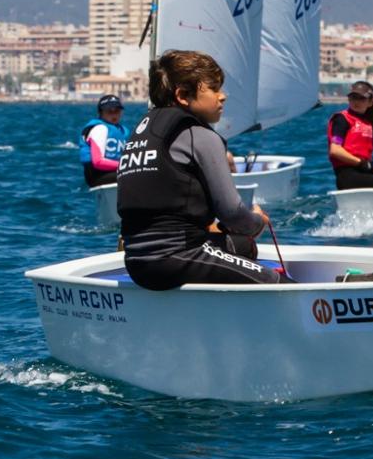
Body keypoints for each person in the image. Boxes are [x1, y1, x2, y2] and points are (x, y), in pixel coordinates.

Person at [118, 50, 283, 290]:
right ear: (183, 95)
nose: (223, 96)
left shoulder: (143, 133)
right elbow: (233, 214)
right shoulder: (200, 136)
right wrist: (258, 222)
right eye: (214, 88)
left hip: (137, 261)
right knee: (276, 282)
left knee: (244, 247)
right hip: (178, 257)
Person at [78, 94, 130, 188]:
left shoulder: (123, 131)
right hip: (97, 175)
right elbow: (98, 162)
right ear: (100, 112)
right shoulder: (100, 129)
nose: (114, 114)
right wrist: (126, 166)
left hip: (115, 172)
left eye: (117, 111)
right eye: (109, 111)